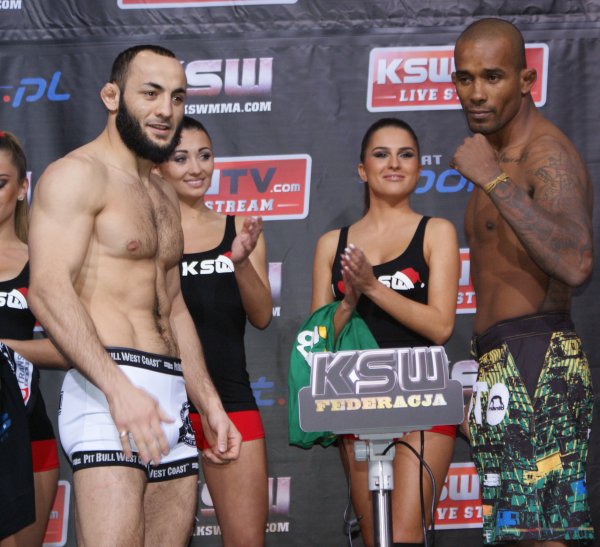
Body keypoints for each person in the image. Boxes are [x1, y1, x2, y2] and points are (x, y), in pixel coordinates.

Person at [27, 45, 242, 546]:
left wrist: (208, 402)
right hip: (107, 392)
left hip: (171, 398)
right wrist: (117, 389)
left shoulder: (163, 192)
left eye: (177, 97)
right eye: (150, 93)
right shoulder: (76, 175)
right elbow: (48, 289)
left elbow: (174, 306)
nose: (166, 109)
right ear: (111, 96)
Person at [450, 18, 594, 546]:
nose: (476, 93)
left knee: (545, 536)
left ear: (527, 80)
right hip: (501, 361)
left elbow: (576, 261)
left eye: (492, 77)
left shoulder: (545, 154)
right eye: (465, 78)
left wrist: (492, 179)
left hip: (540, 357)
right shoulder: (496, 154)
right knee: (521, 536)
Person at [311, 118, 460, 546]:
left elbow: (441, 326)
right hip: (355, 398)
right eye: (381, 154)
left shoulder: (437, 232)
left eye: (405, 154)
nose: (394, 163)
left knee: (404, 535)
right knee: (377, 537)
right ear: (363, 169)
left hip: (423, 396)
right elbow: (317, 342)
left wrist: (373, 287)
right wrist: (349, 300)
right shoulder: (332, 243)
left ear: (418, 168)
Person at [155, 115, 272, 546]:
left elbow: (262, 316)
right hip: (160, 410)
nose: (196, 168)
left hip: (231, 400)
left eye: (204, 156)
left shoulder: (239, 227)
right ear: (157, 167)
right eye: (181, 158)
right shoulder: (144, 236)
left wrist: (239, 262)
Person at [0, 131, 65, 547]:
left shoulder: (40, 261)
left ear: (23, 187)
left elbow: (69, 349)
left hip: (27, 435)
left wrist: (4, 349)